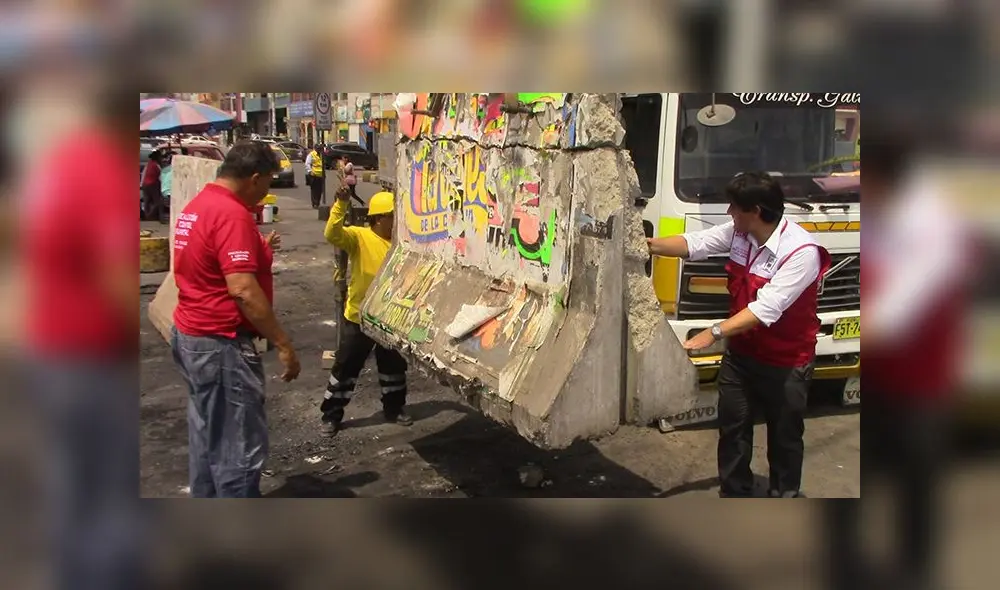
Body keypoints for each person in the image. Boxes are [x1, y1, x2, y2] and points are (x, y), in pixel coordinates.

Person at [647, 171, 831, 498]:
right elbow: (695, 243)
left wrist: (713, 333)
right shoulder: (740, 234)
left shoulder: (801, 251)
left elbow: (766, 309)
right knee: (733, 430)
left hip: (786, 361)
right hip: (742, 356)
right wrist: (648, 245)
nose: (729, 213)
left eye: (734, 207)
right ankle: (735, 493)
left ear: (756, 211)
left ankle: (784, 497)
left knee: (785, 438)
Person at [171, 140, 302, 498]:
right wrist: (283, 343)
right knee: (238, 447)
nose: (266, 192)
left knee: (208, 437)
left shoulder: (199, 205)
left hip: (192, 334)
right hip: (220, 343)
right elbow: (242, 289)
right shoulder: (231, 213)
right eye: (268, 183)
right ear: (254, 178)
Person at [320, 187, 412, 436]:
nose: (397, 221)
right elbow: (332, 233)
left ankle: (394, 408)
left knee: (393, 367)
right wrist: (341, 203)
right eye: (394, 215)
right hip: (359, 316)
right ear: (380, 218)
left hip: (389, 317)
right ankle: (331, 415)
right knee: (346, 367)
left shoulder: (402, 244)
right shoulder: (359, 237)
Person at [141, 147, 163, 220]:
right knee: (158, 202)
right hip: (153, 184)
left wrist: (141, 184)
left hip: (145, 184)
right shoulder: (156, 165)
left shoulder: (148, 164)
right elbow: (161, 176)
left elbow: (144, 174)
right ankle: (150, 215)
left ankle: (146, 215)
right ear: (158, 157)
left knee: (146, 201)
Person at [305, 142, 325, 209]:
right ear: (315, 148)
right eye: (318, 148)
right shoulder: (311, 154)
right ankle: (315, 203)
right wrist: (310, 171)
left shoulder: (322, 154)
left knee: (320, 190)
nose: (319, 150)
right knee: (314, 190)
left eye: (320, 149)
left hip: (321, 175)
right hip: (314, 174)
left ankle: (318, 203)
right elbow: (307, 164)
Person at [158, 149, 173, 224]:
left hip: (163, 192)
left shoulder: (164, 170)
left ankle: (162, 220)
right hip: (171, 193)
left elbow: (160, 179)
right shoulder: (176, 170)